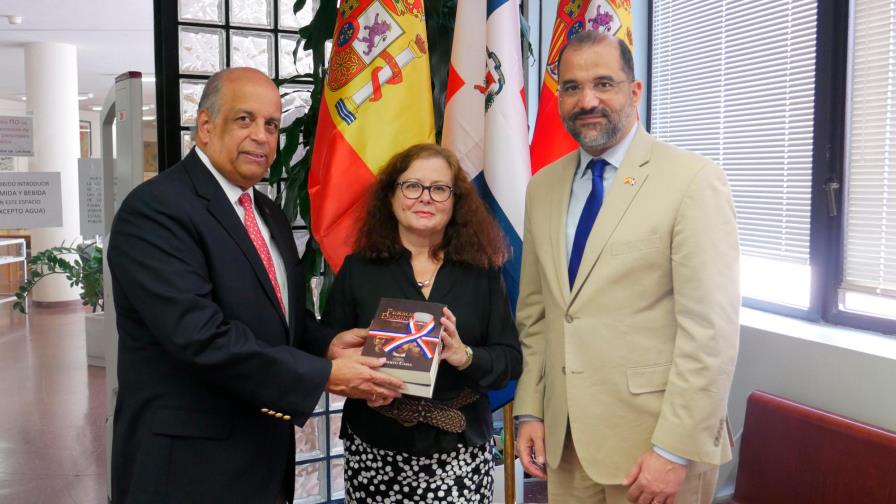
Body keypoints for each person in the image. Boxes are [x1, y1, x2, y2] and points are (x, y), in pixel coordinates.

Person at [107, 67, 404, 504]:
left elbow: (278, 315)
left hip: (261, 457)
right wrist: (325, 376)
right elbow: (201, 337)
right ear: (205, 127)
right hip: (187, 468)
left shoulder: (267, 212)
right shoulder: (156, 211)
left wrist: (327, 345)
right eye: (244, 119)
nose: (262, 137)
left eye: (271, 124)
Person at [514, 31, 740, 504]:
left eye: (604, 83)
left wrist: (673, 451)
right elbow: (536, 317)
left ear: (635, 92)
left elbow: (710, 333)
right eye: (572, 87)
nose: (587, 100)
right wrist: (530, 411)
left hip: (653, 453)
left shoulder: (692, 181)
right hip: (568, 445)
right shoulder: (543, 187)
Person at [323, 143, 522, 503]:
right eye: (412, 186)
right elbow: (330, 348)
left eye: (439, 189)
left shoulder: (483, 273)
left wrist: (465, 355)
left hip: (459, 452)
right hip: (376, 448)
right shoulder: (358, 270)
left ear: (455, 201)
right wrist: (352, 369)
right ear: (391, 195)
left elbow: (510, 360)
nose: (425, 198)